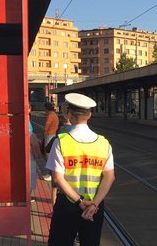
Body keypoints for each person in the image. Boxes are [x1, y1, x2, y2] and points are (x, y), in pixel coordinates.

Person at [46, 93, 115, 246]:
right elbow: (110, 177)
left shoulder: (61, 142)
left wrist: (79, 201)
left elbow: (57, 178)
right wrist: (94, 204)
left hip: (67, 204)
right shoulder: (104, 144)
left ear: (69, 114)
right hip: (94, 206)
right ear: (89, 115)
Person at [42, 102, 59, 181]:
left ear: (46, 109)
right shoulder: (55, 115)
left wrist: (43, 131)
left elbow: (46, 126)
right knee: (50, 153)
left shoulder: (50, 116)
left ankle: (50, 173)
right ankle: (51, 172)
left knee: (47, 154)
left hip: (49, 135)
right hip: (53, 134)